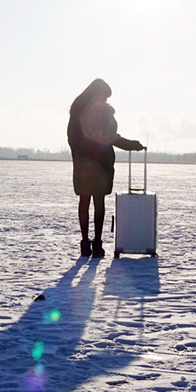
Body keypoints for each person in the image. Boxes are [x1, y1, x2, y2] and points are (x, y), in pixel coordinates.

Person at [68, 79, 144, 258]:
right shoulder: (102, 113)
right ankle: (97, 245)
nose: (106, 101)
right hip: (99, 165)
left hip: (82, 166)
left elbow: (72, 139)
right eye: (105, 97)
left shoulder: (77, 112)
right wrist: (131, 145)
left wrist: (79, 159)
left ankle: (85, 244)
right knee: (98, 202)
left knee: (84, 202)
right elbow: (110, 138)